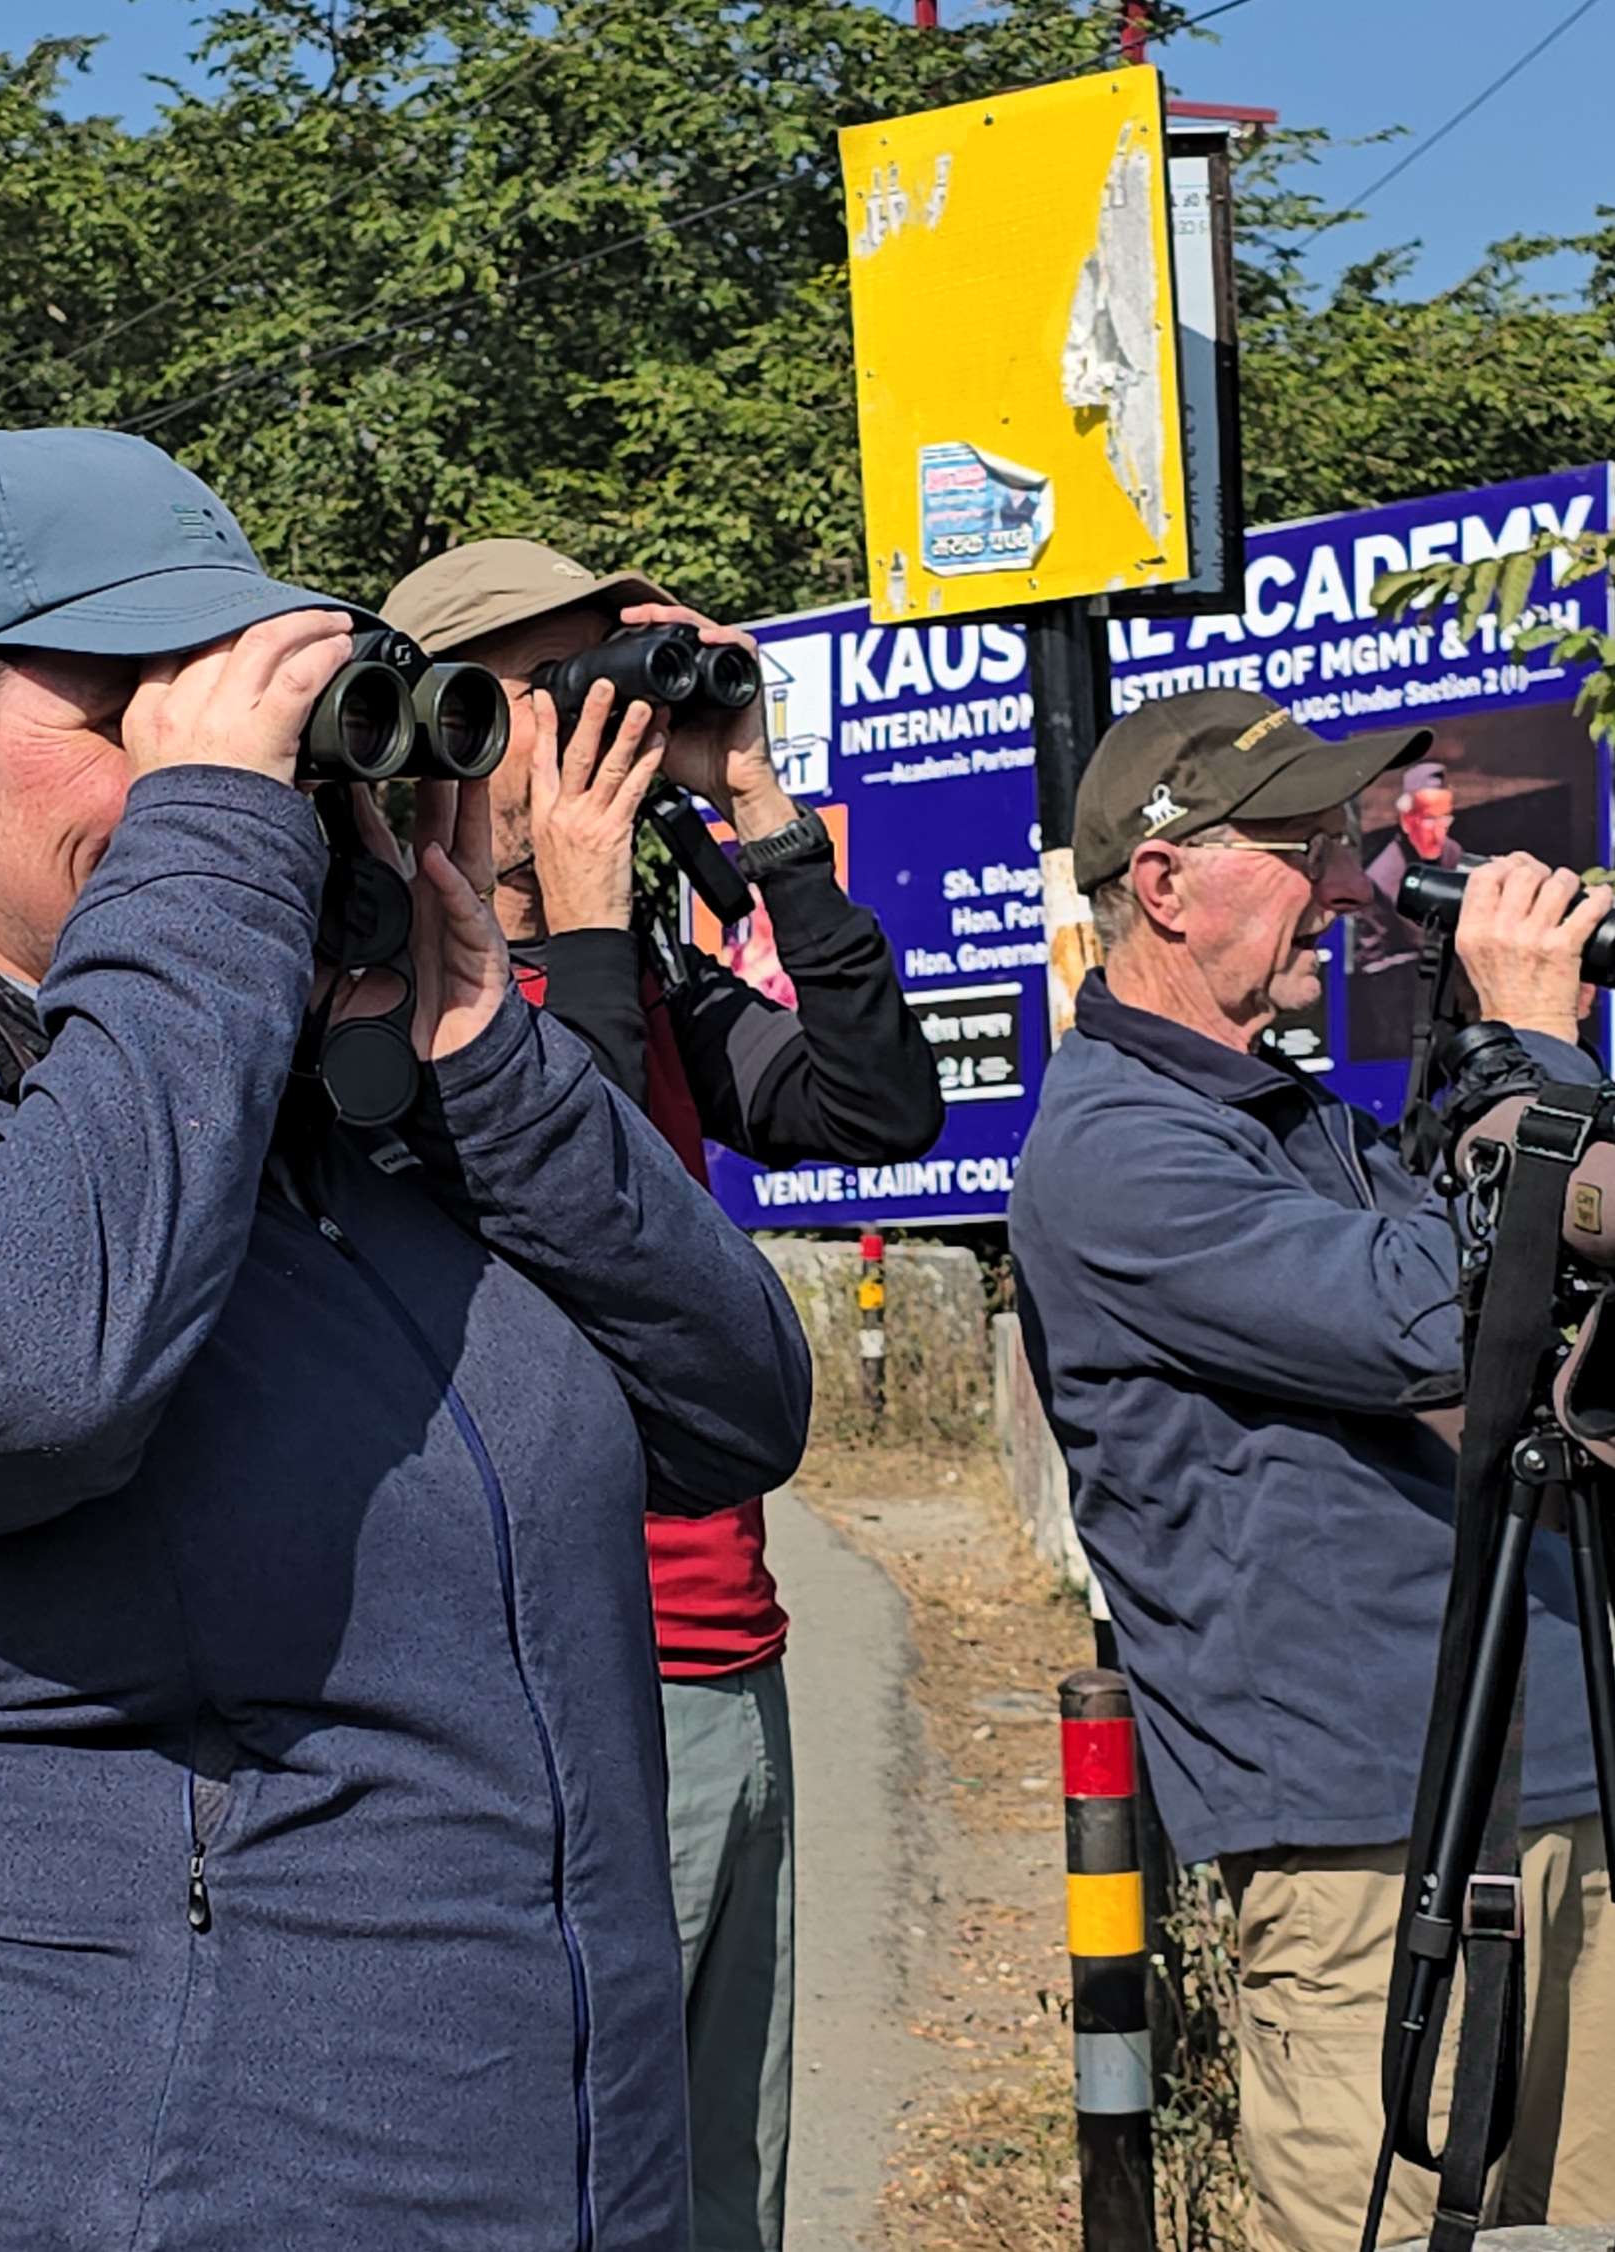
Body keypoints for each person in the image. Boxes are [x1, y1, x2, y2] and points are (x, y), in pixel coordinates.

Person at [0, 430, 813, 2252]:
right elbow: (25, 1383)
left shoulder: (338, 1124)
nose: (213, 766)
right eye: (131, 708)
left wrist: (483, 1049)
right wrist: (217, 854)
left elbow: (735, 1409)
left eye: (236, 712)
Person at [1006, 688, 1615, 2252]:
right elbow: (1438, 1322)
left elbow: (1566, 1353)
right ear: (1165, 882)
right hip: (1366, 1832)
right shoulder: (1114, 1152)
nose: (1361, 884)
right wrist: (1538, 1056)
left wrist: (1534, 1118)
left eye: (1355, 843)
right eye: (1311, 846)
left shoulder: (1306, 1121)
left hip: (1542, 1773)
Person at [383, 538, 947, 2252]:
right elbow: (586, 1216)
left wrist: (761, 809)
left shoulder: (644, 976)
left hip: (732, 1652)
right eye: (562, 698)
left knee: (723, 2199)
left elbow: (876, 1109)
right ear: (455, 732)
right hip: (570, 1681)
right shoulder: (403, 1017)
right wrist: (571, 913)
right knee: (587, 2192)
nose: (607, 732)